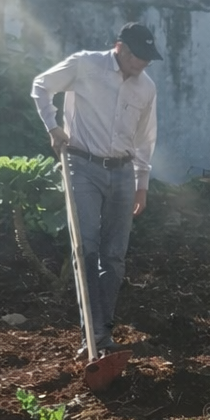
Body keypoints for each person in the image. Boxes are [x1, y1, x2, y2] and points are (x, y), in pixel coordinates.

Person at [31, 22, 162, 355]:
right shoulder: (85, 64)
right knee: (85, 250)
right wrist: (53, 126)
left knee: (114, 257)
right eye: (138, 57)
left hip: (122, 174)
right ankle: (90, 338)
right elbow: (41, 85)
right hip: (82, 166)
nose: (143, 65)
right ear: (120, 48)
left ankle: (102, 333)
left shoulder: (145, 88)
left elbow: (146, 139)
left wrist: (141, 184)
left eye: (148, 59)